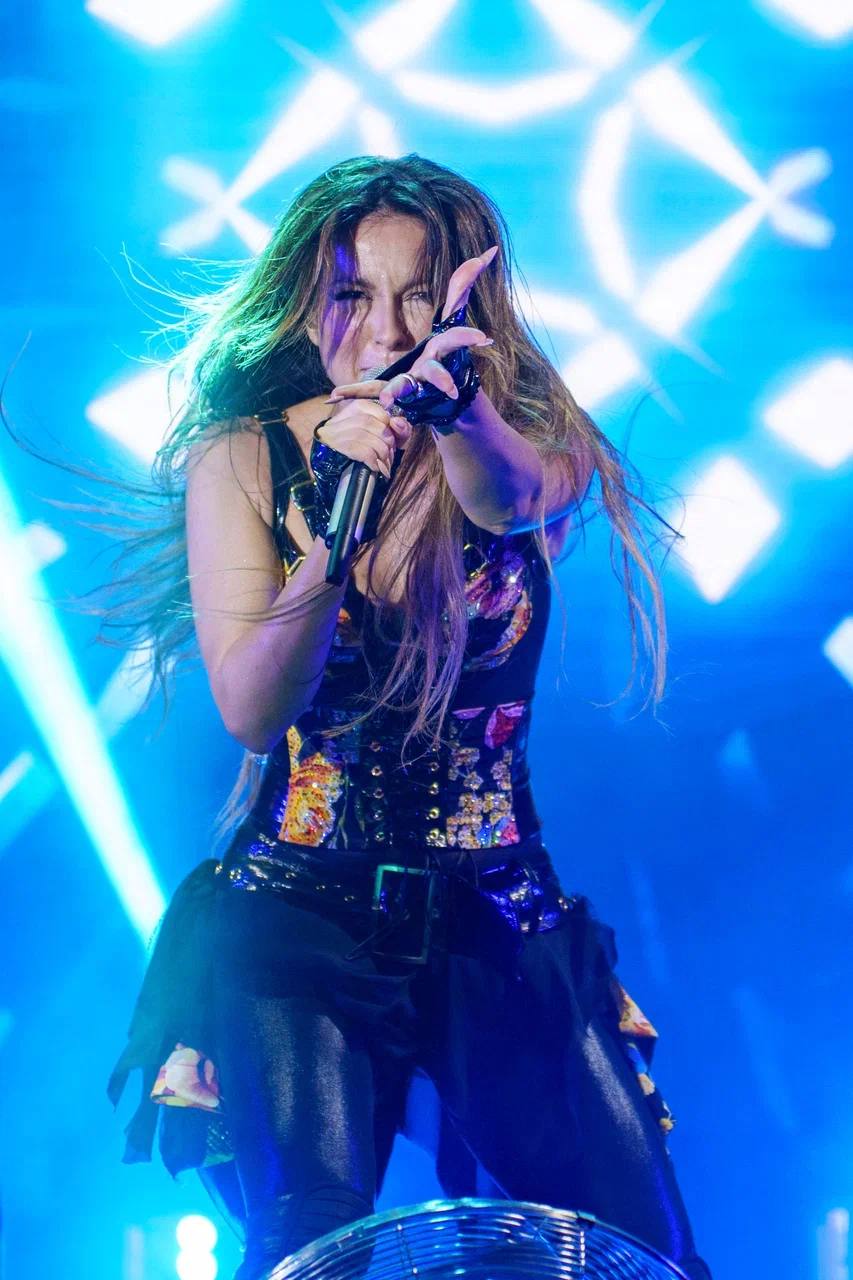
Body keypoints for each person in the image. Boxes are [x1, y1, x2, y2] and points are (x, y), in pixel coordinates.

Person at [108, 154, 711, 1280]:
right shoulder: (243, 457)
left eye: (419, 295)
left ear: (467, 304)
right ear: (306, 304)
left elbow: (510, 498)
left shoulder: (530, 435)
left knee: (639, 1245)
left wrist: (454, 410)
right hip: (301, 910)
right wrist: (333, 520)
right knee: (309, 1245)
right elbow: (253, 705)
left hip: (498, 903)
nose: (385, 331)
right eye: (352, 294)